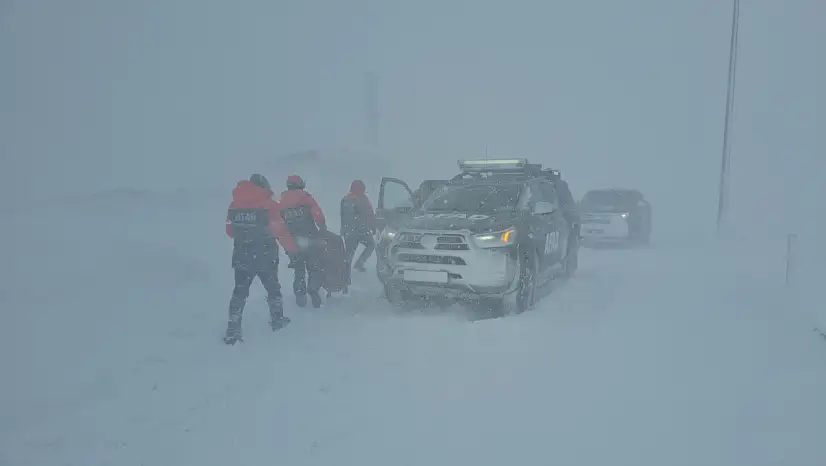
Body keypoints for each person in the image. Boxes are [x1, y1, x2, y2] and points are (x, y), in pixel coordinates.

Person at [223, 174, 290, 345]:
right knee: (273, 289)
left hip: (242, 256)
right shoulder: (269, 205)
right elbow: (280, 231)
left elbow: (230, 232)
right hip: (265, 255)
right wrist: (291, 250)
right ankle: (277, 319)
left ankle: (233, 328)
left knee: (239, 292)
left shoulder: (234, 205)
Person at [277, 175, 327, 308]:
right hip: (310, 239)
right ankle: (313, 289)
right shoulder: (305, 197)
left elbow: (279, 226)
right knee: (314, 267)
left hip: (293, 243)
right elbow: (318, 215)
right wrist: (323, 229)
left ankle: (300, 296)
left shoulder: (281, 202)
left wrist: (287, 245)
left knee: (299, 270)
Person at [340, 180, 376, 272]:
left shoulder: (345, 199)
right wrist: (373, 227)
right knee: (371, 244)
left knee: (348, 254)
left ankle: (344, 275)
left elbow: (342, 216)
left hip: (349, 232)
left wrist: (344, 230)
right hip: (361, 231)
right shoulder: (363, 199)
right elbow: (369, 213)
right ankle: (360, 262)